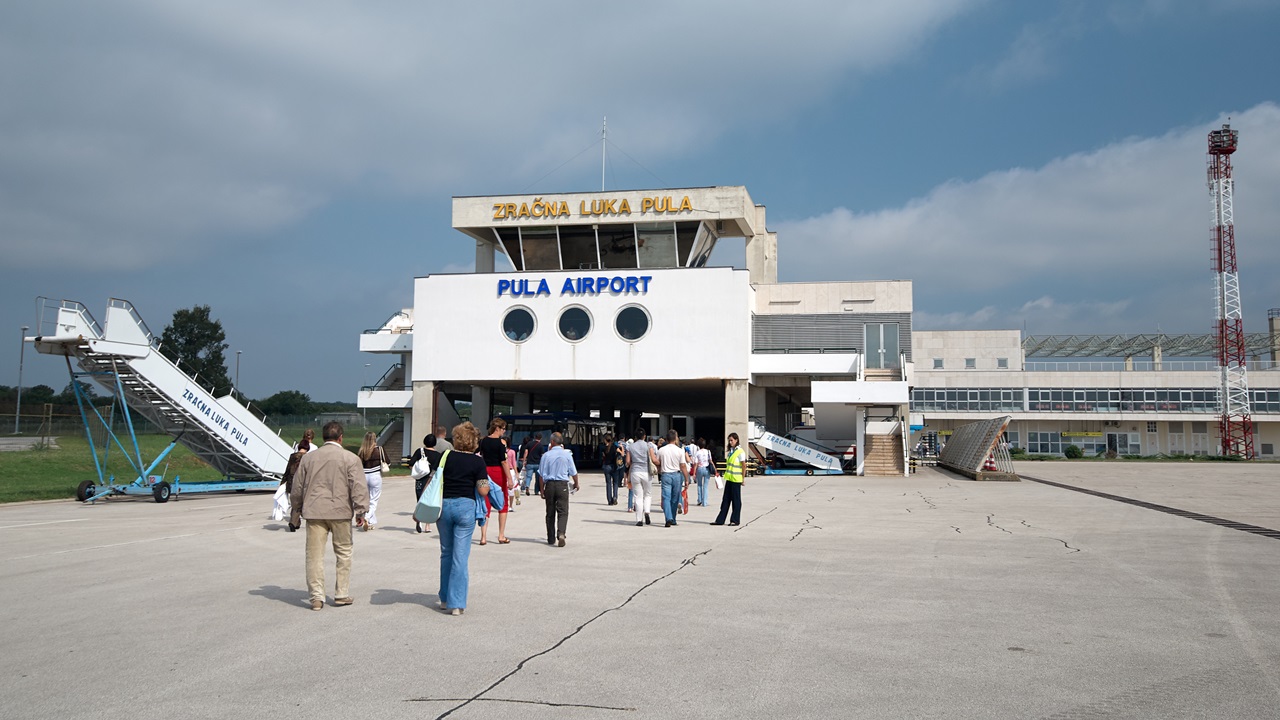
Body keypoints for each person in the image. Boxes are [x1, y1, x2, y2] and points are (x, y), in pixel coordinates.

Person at [289, 421, 368, 611]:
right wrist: (361, 511)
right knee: (344, 552)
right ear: (341, 438)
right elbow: (357, 486)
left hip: (314, 511)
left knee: (314, 555)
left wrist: (296, 510)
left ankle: (316, 598)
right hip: (340, 512)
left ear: (323, 437)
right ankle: (341, 593)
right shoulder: (350, 458)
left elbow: (297, 487)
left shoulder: (308, 459)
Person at [435, 422, 489, 616]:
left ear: (456, 439)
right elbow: (483, 490)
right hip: (465, 507)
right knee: (460, 557)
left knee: (446, 553)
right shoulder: (477, 462)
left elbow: (435, 479)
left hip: (444, 506)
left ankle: (444, 598)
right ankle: (456, 603)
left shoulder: (445, 456)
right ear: (474, 441)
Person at [478, 418, 515, 545]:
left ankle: (483, 536)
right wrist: (510, 478)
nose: (504, 432)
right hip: (498, 472)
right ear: (498, 428)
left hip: (485, 472)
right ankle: (501, 535)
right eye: (503, 429)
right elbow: (503, 461)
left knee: (485, 502)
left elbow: (481, 455)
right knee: (502, 502)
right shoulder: (501, 443)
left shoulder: (483, 441)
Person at [539, 431, 579, 546]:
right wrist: (576, 483)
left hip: (550, 485)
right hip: (562, 485)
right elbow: (573, 472)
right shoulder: (567, 455)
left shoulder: (546, 455)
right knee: (563, 511)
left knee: (550, 512)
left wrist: (542, 490)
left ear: (552, 442)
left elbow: (541, 475)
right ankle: (561, 533)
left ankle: (550, 538)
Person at [273, 439, 311, 529]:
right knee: (301, 503)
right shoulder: (308, 457)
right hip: (303, 482)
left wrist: (283, 482)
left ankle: (295, 522)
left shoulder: (292, 456)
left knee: (295, 502)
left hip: (291, 482)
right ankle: (295, 522)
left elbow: (288, 469)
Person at [625, 427, 658, 527]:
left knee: (637, 496)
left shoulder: (630, 447)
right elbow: (653, 459)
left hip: (635, 472)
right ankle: (647, 511)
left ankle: (639, 519)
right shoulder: (649, 445)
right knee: (647, 494)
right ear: (645, 436)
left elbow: (627, 462)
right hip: (646, 472)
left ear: (635, 436)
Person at [656, 430, 689, 527]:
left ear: (666, 439)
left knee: (666, 498)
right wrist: (687, 478)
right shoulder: (680, 450)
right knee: (675, 498)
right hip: (676, 475)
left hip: (665, 475)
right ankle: (673, 519)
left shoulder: (661, 450)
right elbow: (683, 465)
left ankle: (668, 518)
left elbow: (658, 462)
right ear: (675, 438)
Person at [409, 434, 441, 533]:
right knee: (428, 500)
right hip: (431, 480)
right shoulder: (438, 455)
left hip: (420, 479)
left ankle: (418, 519)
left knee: (420, 499)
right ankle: (428, 525)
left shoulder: (420, 451)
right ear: (435, 443)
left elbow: (411, 464)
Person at [713, 432, 746, 526]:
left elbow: (744, 466)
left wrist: (742, 479)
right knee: (725, 500)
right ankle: (720, 520)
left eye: (732, 440)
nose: (730, 442)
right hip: (729, 479)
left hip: (736, 479)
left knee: (736, 500)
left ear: (736, 440)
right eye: (729, 440)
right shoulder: (731, 451)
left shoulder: (740, 451)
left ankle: (735, 520)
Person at [357, 432, 386, 531]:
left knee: (368, 499)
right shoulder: (379, 450)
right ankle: (367, 517)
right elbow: (388, 462)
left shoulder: (362, 451)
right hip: (375, 476)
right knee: (374, 500)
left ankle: (370, 522)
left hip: (364, 475)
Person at [694, 437, 714, 507]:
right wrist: (714, 468)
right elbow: (710, 461)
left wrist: (694, 473)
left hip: (700, 468)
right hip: (706, 469)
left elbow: (695, 463)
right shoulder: (708, 451)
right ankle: (704, 502)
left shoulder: (697, 453)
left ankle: (699, 500)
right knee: (705, 486)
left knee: (699, 485)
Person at [601, 433, 618, 506]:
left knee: (608, 483)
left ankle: (609, 500)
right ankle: (615, 497)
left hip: (606, 466)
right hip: (613, 466)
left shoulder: (603, 448)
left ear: (605, 440)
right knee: (615, 483)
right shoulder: (614, 447)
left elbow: (602, 457)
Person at [504, 436, 520, 506]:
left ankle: (504, 504)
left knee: (504, 488)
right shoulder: (512, 452)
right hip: (511, 471)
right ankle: (510, 505)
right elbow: (514, 463)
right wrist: (516, 473)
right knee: (511, 489)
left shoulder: (501, 451)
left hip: (504, 470)